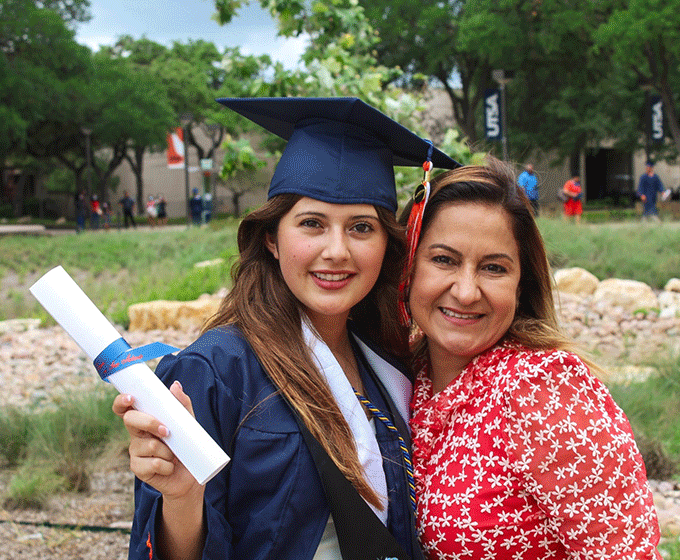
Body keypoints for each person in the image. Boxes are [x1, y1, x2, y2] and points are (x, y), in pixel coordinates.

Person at [112, 97, 459, 560]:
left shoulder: (392, 362)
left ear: (386, 245)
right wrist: (181, 498)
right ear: (272, 238)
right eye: (311, 224)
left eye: (360, 227)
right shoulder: (215, 372)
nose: (336, 251)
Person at [399, 159, 661, 559]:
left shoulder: (543, 389)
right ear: (408, 266)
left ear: (522, 286)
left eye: (493, 268)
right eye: (444, 260)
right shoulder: (405, 376)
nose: (466, 291)